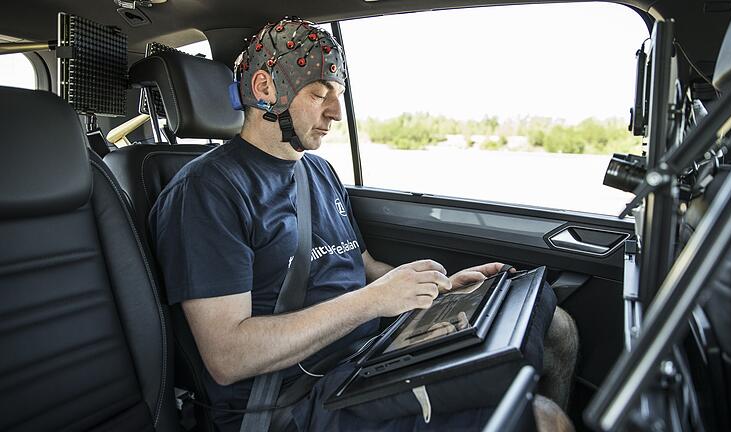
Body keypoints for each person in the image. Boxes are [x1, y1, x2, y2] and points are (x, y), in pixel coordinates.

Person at [149, 17, 577, 432]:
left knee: (555, 325)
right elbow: (229, 357)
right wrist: (371, 302)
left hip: (367, 355)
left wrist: (438, 291)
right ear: (265, 89)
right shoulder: (206, 192)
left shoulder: (317, 172)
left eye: (338, 94)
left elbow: (365, 267)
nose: (336, 112)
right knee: (542, 420)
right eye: (319, 94)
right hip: (290, 398)